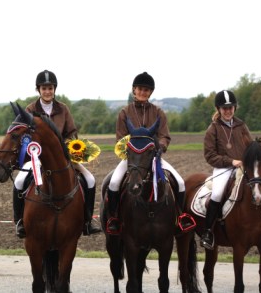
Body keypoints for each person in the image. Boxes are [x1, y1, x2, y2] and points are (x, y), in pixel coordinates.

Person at [12, 69, 101, 238]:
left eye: (50, 88)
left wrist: (66, 147)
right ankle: (19, 221)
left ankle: (87, 221)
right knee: (19, 181)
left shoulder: (63, 109)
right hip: (37, 157)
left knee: (90, 179)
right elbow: (25, 135)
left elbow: (72, 133)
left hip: (61, 158)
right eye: (44, 88)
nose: (47, 91)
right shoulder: (30, 109)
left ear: (54, 89)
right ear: (38, 89)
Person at [106, 72, 194, 234]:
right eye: (140, 89)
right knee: (113, 183)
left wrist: (158, 147)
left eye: (146, 90)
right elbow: (121, 138)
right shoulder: (125, 113)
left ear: (151, 92)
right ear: (134, 90)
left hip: (153, 158)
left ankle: (180, 217)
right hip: (132, 159)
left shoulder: (158, 112)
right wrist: (131, 150)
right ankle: (114, 218)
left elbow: (164, 136)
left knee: (180, 182)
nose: (142, 92)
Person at [200, 90, 252, 250]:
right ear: (219, 109)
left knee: (259, 187)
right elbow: (210, 155)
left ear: (235, 108)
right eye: (224, 108)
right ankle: (208, 231)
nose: (228, 111)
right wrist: (231, 161)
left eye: (230, 108)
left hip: (243, 167)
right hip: (223, 168)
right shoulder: (213, 129)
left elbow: (249, 146)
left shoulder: (241, 125)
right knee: (216, 193)